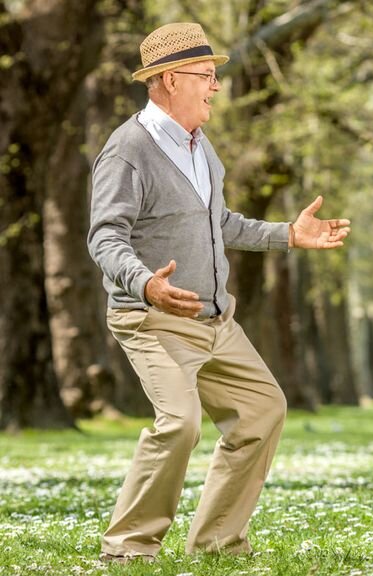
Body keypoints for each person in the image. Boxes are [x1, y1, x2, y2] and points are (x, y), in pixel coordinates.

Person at [87, 23, 351, 563]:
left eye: (215, 75)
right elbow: (105, 237)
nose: (215, 86)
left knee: (262, 410)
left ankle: (217, 544)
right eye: (206, 75)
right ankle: (127, 549)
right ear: (168, 80)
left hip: (215, 321)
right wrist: (146, 284)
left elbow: (219, 222)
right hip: (152, 319)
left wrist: (288, 235)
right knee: (180, 423)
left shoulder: (200, 147)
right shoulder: (128, 151)